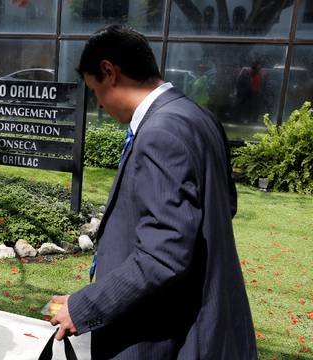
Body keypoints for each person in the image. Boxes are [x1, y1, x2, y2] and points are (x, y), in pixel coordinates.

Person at [48, 25, 257, 359]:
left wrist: (85, 305)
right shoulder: (197, 116)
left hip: (169, 335)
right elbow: (223, 206)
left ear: (109, 72)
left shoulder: (161, 132)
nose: (99, 105)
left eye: (94, 90)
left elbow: (164, 254)